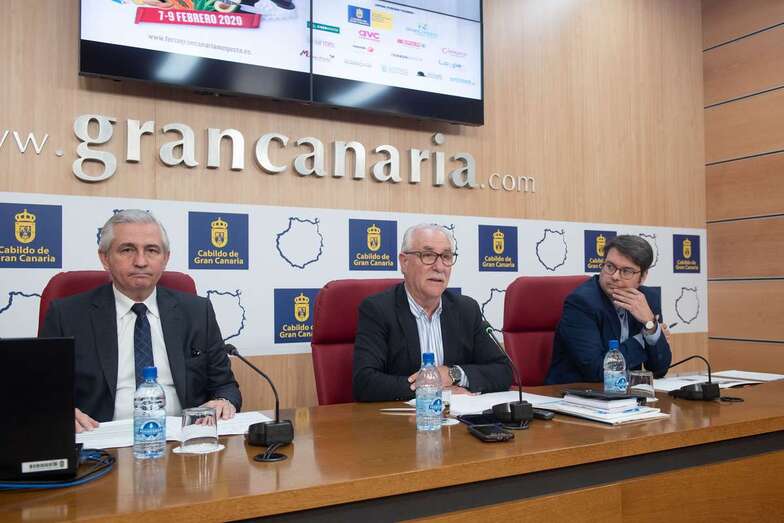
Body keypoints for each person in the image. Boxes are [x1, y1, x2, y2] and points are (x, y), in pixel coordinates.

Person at [41, 210, 241, 432]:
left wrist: (224, 401)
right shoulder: (66, 314)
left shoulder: (197, 311)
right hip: (99, 442)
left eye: (152, 250)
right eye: (127, 250)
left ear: (165, 259)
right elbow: (42, 391)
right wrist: (59, 412)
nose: (140, 261)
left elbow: (224, 385)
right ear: (105, 258)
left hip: (182, 442)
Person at [353, 224, 513, 402]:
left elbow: (504, 371)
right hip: (402, 424)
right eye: (428, 255)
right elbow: (365, 382)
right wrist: (434, 388)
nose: (439, 266)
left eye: (446, 257)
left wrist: (453, 373)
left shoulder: (466, 309)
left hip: (459, 421)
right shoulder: (378, 310)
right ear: (404, 262)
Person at [545, 235, 672, 384]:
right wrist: (645, 338)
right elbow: (597, 371)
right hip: (576, 397)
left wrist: (650, 324)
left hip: (625, 397)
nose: (615, 276)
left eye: (626, 271)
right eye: (610, 266)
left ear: (642, 277)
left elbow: (659, 368)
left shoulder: (647, 300)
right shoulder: (581, 303)